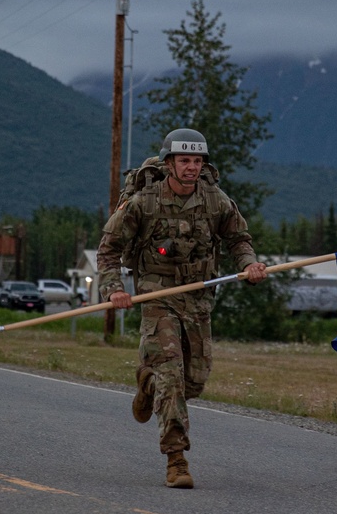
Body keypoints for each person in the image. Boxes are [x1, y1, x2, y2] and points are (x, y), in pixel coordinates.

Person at [97, 128, 267, 489]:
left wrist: (250, 264)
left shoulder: (215, 200)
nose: (191, 167)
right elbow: (109, 248)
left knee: (194, 382)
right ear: (169, 163)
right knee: (172, 377)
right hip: (155, 296)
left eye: (197, 161)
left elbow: (239, 239)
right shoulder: (144, 202)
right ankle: (176, 459)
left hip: (198, 299)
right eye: (184, 160)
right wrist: (113, 291)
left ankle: (147, 385)